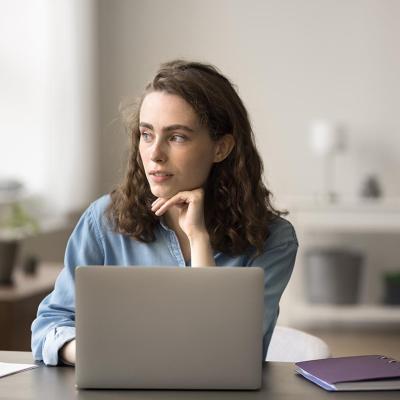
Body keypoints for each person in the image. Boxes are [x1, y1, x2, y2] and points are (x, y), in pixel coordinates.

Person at [31, 60, 298, 366]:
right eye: (146, 134)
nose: (154, 153)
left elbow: (224, 353)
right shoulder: (103, 220)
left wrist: (198, 239)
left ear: (221, 148)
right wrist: (94, 354)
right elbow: (50, 325)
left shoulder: (273, 239)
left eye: (176, 137)